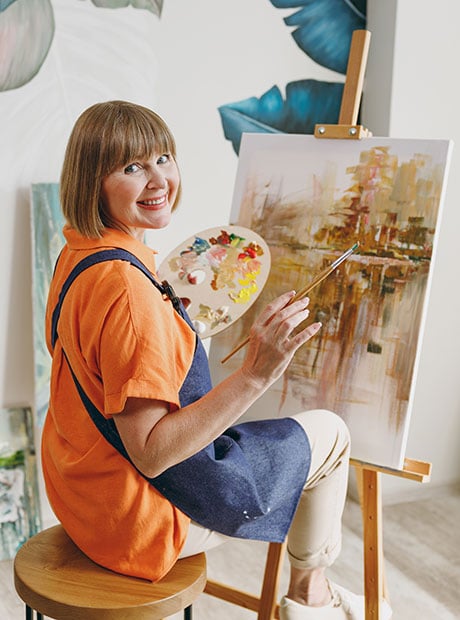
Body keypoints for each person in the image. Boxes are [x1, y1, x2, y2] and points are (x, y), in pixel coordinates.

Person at [41, 100, 391, 620]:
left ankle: (309, 595)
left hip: (80, 494)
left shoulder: (80, 255)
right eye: (131, 167)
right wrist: (254, 376)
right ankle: (310, 597)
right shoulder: (128, 291)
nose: (157, 179)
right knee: (333, 433)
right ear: (92, 181)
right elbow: (153, 454)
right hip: (135, 520)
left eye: (163, 157)